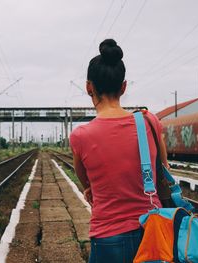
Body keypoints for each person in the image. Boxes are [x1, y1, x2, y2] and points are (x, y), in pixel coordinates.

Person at [69, 39, 169, 263]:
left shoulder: (80, 136)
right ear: (123, 87)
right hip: (152, 234)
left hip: (107, 238)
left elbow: (88, 185)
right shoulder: (149, 122)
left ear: (88, 87)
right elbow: (163, 170)